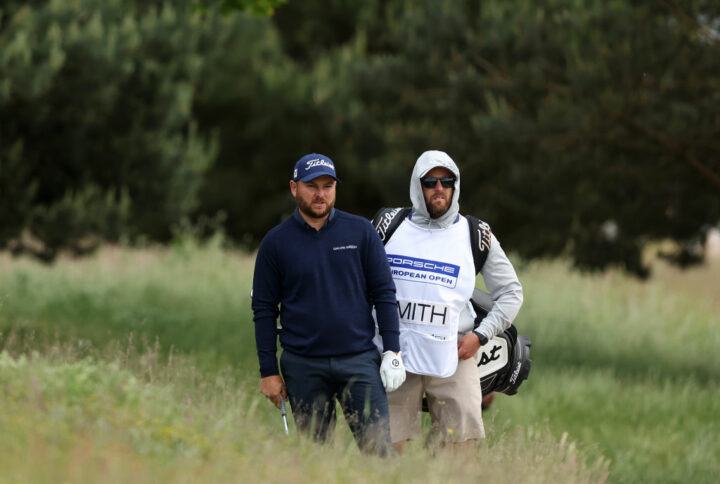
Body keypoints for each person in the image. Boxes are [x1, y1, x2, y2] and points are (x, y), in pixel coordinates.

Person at [251, 153, 406, 457]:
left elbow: (385, 293)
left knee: (379, 454)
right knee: (315, 457)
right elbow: (264, 310)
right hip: (303, 365)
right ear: (294, 188)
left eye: (328, 186)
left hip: (359, 362)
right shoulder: (275, 243)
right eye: (312, 186)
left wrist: (393, 351)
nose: (320, 194)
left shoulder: (361, 232)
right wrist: (268, 371)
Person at [377, 150, 523, 454]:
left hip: (455, 356)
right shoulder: (388, 224)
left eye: (447, 180)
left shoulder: (475, 234)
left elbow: (511, 292)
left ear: (456, 185)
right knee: (384, 453)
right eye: (430, 181)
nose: (439, 187)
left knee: (461, 455)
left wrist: (480, 336)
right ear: (418, 185)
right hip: (394, 355)